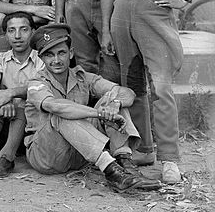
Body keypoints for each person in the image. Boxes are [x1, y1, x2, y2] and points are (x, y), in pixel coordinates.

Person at [101, 0, 214, 183]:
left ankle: (170, 159)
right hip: (122, 8)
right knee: (132, 85)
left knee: (161, 87)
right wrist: (106, 30)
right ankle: (144, 149)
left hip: (156, 9)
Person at [24, 23, 161, 192]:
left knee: (113, 99)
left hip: (80, 153)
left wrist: (114, 104)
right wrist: (99, 114)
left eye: (61, 53)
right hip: (47, 155)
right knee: (61, 113)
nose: (56, 60)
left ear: (71, 53)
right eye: (49, 55)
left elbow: (127, 93)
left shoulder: (83, 77)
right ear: (41, 58)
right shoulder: (36, 83)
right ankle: (112, 172)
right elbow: (55, 106)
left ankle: (125, 164)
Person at [0, 12, 43, 178]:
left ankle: (7, 157)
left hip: (30, 127)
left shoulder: (41, 58)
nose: (17, 36)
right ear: (5, 35)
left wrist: (10, 93)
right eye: (11, 31)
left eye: (24, 30)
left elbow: (39, 87)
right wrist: (2, 99)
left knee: (25, 105)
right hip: (2, 123)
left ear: (33, 31)